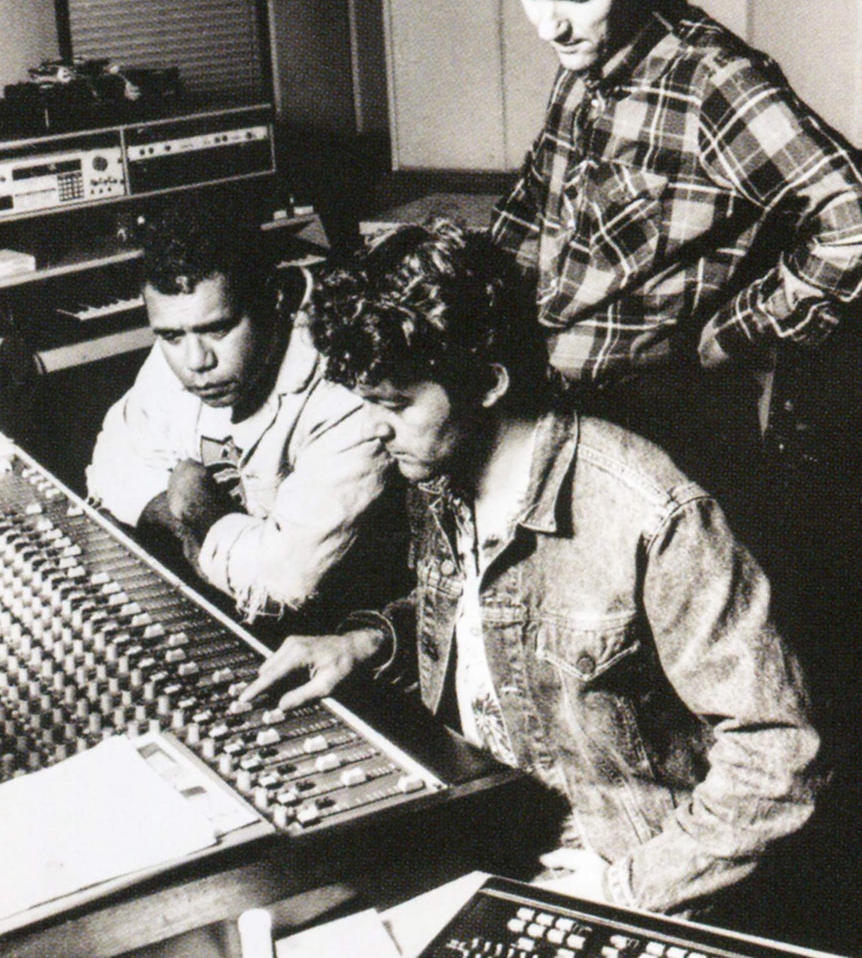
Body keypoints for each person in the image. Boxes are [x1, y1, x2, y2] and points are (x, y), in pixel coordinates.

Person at [241, 218, 821, 917]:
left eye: (394, 403)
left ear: (487, 382)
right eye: (365, 401)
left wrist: (621, 890)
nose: (373, 427)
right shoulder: (439, 474)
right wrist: (364, 643)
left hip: (628, 876)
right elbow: (488, 618)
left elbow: (780, 754)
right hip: (495, 838)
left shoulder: (651, 513)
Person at [488, 0, 862, 530]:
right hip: (550, 411)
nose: (548, 25)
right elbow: (528, 213)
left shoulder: (714, 82)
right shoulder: (583, 61)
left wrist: (731, 333)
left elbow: (854, 220)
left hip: (656, 438)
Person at [86, 201, 400, 633]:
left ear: (274, 297)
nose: (196, 361)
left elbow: (286, 585)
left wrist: (197, 505)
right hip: (223, 605)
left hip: (329, 636)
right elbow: (111, 464)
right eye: (172, 336)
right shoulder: (186, 345)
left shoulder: (344, 391)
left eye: (219, 330)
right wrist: (179, 515)